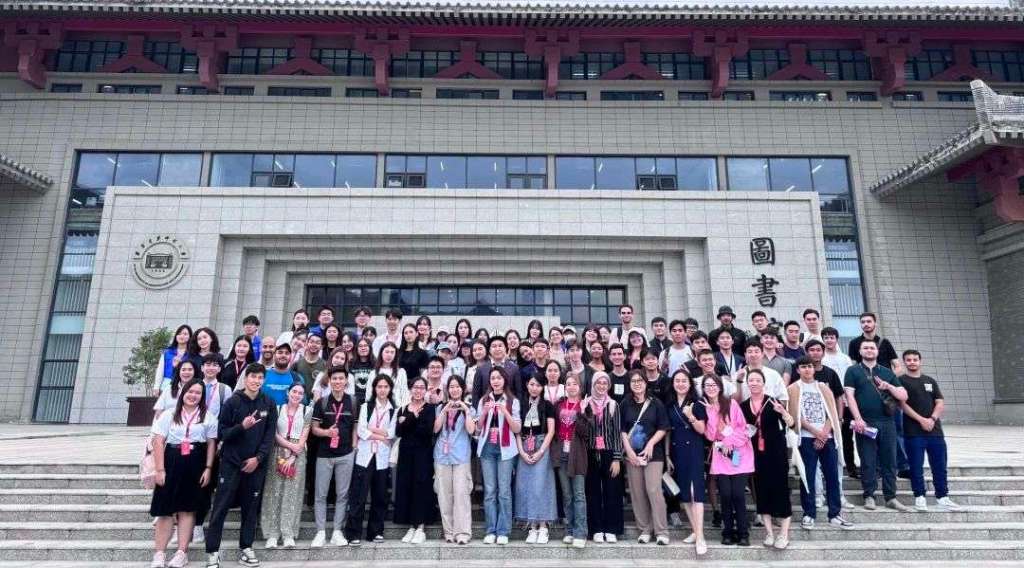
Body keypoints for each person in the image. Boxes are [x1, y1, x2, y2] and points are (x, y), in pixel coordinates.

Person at [204, 364, 277, 568]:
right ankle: (212, 552)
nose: (256, 380)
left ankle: (246, 547)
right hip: (231, 464)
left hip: (255, 465)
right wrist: (241, 427)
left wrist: (259, 459)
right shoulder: (233, 401)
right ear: (246, 378)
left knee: (251, 509)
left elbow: (269, 436)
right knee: (220, 508)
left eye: (260, 377)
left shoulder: (268, 403)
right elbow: (222, 433)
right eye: (253, 376)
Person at [149, 378, 217, 568]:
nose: (193, 396)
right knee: (164, 510)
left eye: (198, 393)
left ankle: (181, 552)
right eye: (190, 392)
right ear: (183, 392)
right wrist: (160, 469)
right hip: (171, 460)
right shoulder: (169, 414)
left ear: (202, 397)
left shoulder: (207, 416)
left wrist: (208, 468)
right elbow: (158, 442)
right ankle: (160, 553)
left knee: (187, 509)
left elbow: (212, 443)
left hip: (195, 462)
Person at [844, 338, 912, 512]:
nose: (869, 350)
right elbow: (849, 396)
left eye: (872, 348)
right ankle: (869, 496)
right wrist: (858, 418)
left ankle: (891, 497)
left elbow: (903, 396)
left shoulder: (887, 372)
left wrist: (888, 386)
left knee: (890, 460)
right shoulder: (852, 371)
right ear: (859, 352)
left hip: (887, 422)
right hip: (865, 422)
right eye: (865, 348)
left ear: (877, 351)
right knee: (868, 460)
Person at [787, 357, 853, 532]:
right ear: (798, 370)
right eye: (803, 367)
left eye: (809, 366)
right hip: (806, 438)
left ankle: (835, 514)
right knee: (807, 476)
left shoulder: (824, 388)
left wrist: (824, 432)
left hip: (828, 438)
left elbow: (832, 412)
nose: (807, 369)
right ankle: (809, 513)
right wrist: (815, 433)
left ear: (813, 369)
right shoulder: (792, 389)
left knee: (832, 476)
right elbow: (793, 415)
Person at [741, 369, 796, 548]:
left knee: (780, 489)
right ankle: (769, 533)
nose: (754, 383)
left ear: (764, 383)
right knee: (762, 491)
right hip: (756, 453)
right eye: (751, 380)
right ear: (747, 384)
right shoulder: (743, 405)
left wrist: (783, 411)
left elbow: (791, 423)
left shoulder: (773, 401)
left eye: (758, 380)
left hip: (776, 451)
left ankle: (783, 534)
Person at [899, 350, 959, 511]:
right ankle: (919, 497)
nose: (912, 362)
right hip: (913, 432)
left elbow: (939, 402)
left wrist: (932, 419)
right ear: (904, 362)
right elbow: (902, 405)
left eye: (915, 359)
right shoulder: (901, 381)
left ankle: (942, 496)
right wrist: (921, 420)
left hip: (935, 431)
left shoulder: (930, 381)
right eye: (908, 360)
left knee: (939, 466)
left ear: (920, 361)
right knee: (916, 466)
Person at [345, 374, 398, 545]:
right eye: (379, 386)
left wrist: (373, 431)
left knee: (380, 496)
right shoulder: (366, 406)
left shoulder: (393, 409)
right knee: (359, 495)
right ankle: (353, 533)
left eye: (386, 387)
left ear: (390, 389)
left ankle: (376, 532)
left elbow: (391, 433)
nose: (382, 390)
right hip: (365, 455)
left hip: (382, 456)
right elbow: (361, 431)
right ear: (374, 388)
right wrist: (380, 434)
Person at [620, 370, 671, 545]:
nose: (637, 384)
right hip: (632, 455)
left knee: (653, 490)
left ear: (645, 382)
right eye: (633, 381)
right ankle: (645, 529)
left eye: (640, 380)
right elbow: (622, 430)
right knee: (637, 492)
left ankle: (661, 531)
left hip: (653, 455)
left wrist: (650, 444)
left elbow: (663, 427)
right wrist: (629, 451)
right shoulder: (625, 403)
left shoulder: (656, 403)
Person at [703, 374, 754, 547]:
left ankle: (743, 533)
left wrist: (727, 441)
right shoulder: (706, 407)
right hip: (721, 457)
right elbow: (710, 435)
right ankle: (727, 532)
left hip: (740, 454)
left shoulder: (731, 404)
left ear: (720, 386)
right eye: (707, 385)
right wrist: (710, 412)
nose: (710, 388)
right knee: (725, 495)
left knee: (738, 494)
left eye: (714, 384)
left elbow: (742, 428)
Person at [310, 365, 357, 548]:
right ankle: (320, 532)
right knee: (320, 495)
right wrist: (326, 433)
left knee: (342, 495)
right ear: (330, 381)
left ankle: (337, 531)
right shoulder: (321, 402)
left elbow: (354, 428)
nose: (337, 382)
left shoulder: (353, 402)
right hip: (324, 454)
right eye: (334, 378)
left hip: (346, 454)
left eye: (341, 378)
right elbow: (314, 429)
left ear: (346, 381)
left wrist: (353, 447)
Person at [260, 382, 312, 549]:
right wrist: (289, 447)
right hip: (278, 452)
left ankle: (288, 533)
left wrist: (294, 453)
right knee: (274, 492)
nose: (297, 395)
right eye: (294, 392)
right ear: (288, 392)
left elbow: (305, 434)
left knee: (292, 494)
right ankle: (272, 534)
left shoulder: (307, 411)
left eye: (300, 393)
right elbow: (273, 433)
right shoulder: (277, 408)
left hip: (298, 455)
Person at [664, 369, 708, 556]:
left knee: (694, 492)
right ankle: (695, 530)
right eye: (677, 380)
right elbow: (668, 431)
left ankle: (700, 537)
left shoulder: (697, 404)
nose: (680, 384)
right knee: (684, 494)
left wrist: (690, 416)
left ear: (690, 384)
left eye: (684, 380)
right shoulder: (670, 405)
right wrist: (667, 455)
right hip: (676, 451)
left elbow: (702, 430)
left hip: (694, 451)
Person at [806, 339, 854, 510]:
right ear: (807, 352)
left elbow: (839, 398)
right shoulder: (802, 373)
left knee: (836, 463)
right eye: (811, 350)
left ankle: (838, 495)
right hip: (810, 428)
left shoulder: (830, 373)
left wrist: (838, 419)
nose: (815, 353)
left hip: (831, 425)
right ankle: (818, 495)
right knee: (814, 465)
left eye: (818, 350)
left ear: (823, 352)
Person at [476, 367, 522, 545]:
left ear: (505, 380)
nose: (495, 381)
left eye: (499, 378)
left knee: (504, 491)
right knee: (489, 491)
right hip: (487, 447)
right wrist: (485, 412)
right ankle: (491, 529)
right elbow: (479, 428)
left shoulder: (513, 401)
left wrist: (505, 411)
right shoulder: (483, 400)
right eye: (492, 378)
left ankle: (503, 530)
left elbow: (517, 428)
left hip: (506, 449)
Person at [394, 376, 439, 544]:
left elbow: (425, 431)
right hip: (405, 453)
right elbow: (399, 431)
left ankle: (420, 527)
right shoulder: (403, 408)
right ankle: (411, 526)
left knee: (421, 487)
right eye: (415, 387)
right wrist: (410, 419)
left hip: (423, 453)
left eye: (421, 387)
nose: (418, 390)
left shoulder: (429, 409)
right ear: (410, 389)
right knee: (407, 486)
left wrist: (409, 420)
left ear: (425, 390)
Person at [434, 375, 477, 544]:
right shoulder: (440, 408)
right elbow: (436, 428)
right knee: (445, 496)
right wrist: (445, 411)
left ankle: (463, 533)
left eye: (457, 387)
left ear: (463, 389)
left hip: (461, 456)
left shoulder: (470, 408)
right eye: (451, 387)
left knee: (461, 494)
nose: (454, 390)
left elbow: (471, 430)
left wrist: (465, 411)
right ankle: (449, 532)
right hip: (441, 456)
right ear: (448, 390)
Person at [515, 375, 558, 543]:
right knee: (525, 485)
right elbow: (517, 430)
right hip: (524, 446)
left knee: (542, 485)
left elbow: (551, 431)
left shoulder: (547, 405)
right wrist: (521, 451)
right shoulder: (521, 404)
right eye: (532, 384)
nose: (534, 388)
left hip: (542, 445)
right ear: (527, 385)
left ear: (543, 387)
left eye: (538, 385)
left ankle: (543, 526)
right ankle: (531, 526)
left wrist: (541, 451)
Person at [583, 372, 624, 543]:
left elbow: (617, 433)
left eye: (604, 383)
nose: (601, 386)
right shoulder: (586, 404)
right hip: (591, 453)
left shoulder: (613, 405)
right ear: (592, 384)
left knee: (612, 491)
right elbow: (583, 431)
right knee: (592, 492)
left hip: (609, 452)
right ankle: (596, 529)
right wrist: (583, 411)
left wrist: (616, 458)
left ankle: (612, 528)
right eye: (598, 383)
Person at [555, 374, 590, 549]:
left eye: (574, 384)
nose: (571, 387)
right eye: (568, 384)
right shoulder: (559, 405)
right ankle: (569, 530)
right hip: (561, 452)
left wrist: (582, 412)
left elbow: (585, 433)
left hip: (578, 454)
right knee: (567, 495)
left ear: (580, 386)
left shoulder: (584, 406)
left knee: (578, 495)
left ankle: (580, 532)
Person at [822, 326, 858, 478]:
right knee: (828, 435)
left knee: (847, 436)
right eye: (826, 337)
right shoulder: (821, 358)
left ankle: (850, 466)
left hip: (846, 401)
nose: (829, 340)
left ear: (836, 339)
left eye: (832, 337)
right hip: (826, 402)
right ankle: (828, 466)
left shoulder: (845, 358)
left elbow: (851, 379)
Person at [471, 336, 522, 403]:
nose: (497, 349)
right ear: (489, 350)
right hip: (486, 409)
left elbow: (519, 392)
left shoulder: (514, 368)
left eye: (500, 346)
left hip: (509, 410)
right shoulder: (481, 369)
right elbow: (476, 394)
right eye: (494, 346)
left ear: (505, 348)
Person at [157, 324, 192, 395]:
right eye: (179, 334)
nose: (182, 336)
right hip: (167, 385)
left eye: (185, 334)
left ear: (190, 337)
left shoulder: (192, 354)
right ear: (176, 336)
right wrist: (156, 387)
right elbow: (160, 370)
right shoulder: (167, 352)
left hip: (186, 386)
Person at [376, 342, 409, 407]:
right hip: (377, 408)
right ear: (381, 353)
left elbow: (404, 393)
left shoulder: (401, 372)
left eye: (392, 352)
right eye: (387, 352)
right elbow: (369, 394)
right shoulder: (374, 372)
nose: (389, 355)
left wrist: (403, 412)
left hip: (397, 407)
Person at [349, 337, 376, 406]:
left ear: (370, 348)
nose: (363, 348)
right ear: (356, 349)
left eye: (365, 346)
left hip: (371, 400)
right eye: (360, 346)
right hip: (354, 400)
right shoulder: (350, 364)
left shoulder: (376, 364)